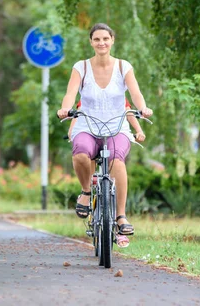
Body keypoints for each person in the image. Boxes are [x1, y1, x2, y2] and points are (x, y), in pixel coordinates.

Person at [57, 23, 153, 248]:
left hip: (116, 127)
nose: (101, 43)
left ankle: (120, 216)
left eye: (105, 39)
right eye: (97, 39)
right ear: (91, 42)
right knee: (80, 153)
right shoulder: (81, 67)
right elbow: (70, 94)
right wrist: (65, 108)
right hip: (87, 125)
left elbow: (135, 93)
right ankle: (86, 191)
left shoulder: (123, 66)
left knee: (117, 160)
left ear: (112, 41)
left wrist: (143, 108)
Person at [68, 98, 146, 143]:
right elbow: (79, 113)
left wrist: (139, 131)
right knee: (88, 153)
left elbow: (129, 114)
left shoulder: (118, 95)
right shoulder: (89, 94)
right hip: (91, 132)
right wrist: (71, 131)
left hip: (112, 133)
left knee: (116, 153)